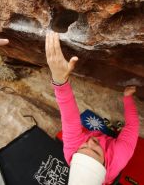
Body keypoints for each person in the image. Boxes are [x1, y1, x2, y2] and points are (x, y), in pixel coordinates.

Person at [45, 31, 139, 185]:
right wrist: (128, 97)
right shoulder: (119, 156)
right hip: (112, 154)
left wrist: (60, 81)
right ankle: (113, 135)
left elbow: (69, 117)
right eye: (95, 150)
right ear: (104, 164)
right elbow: (133, 126)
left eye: (83, 148)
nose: (91, 141)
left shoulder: (71, 151)